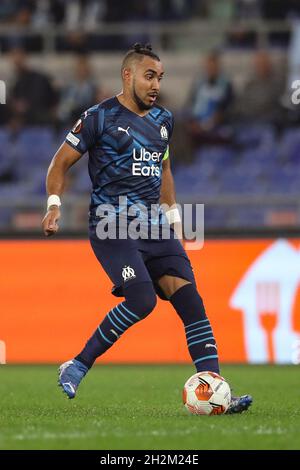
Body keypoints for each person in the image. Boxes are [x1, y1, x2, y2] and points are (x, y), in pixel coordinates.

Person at [42, 43, 252, 414]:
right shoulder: (98, 117)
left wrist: (172, 219)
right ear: (128, 75)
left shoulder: (164, 120)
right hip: (112, 225)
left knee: (192, 303)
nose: (155, 84)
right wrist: (54, 206)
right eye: (149, 76)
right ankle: (76, 365)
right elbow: (59, 163)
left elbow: (164, 169)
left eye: (160, 77)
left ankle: (217, 391)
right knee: (142, 301)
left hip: (156, 228)